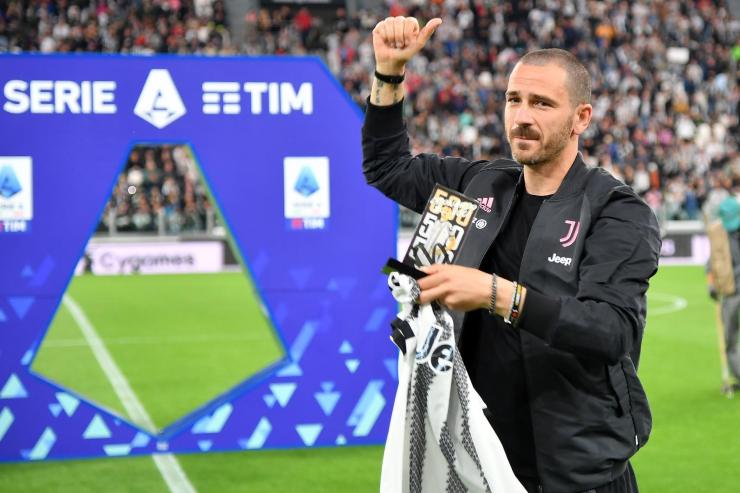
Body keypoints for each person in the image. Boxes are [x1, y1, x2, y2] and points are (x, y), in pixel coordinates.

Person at [362, 16, 661, 493]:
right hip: (480, 465)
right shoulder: (480, 183)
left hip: (578, 475)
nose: (522, 116)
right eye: (513, 99)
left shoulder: (616, 210)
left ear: (581, 118)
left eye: (542, 103)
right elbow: (386, 166)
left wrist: (495, 293)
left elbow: (611, 330)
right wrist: (389, 73)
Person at [706, 196, 740, 389]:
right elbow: (711, 263)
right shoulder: (719, 234)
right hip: (730, 292)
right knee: (730, 338)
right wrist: (711, 284)